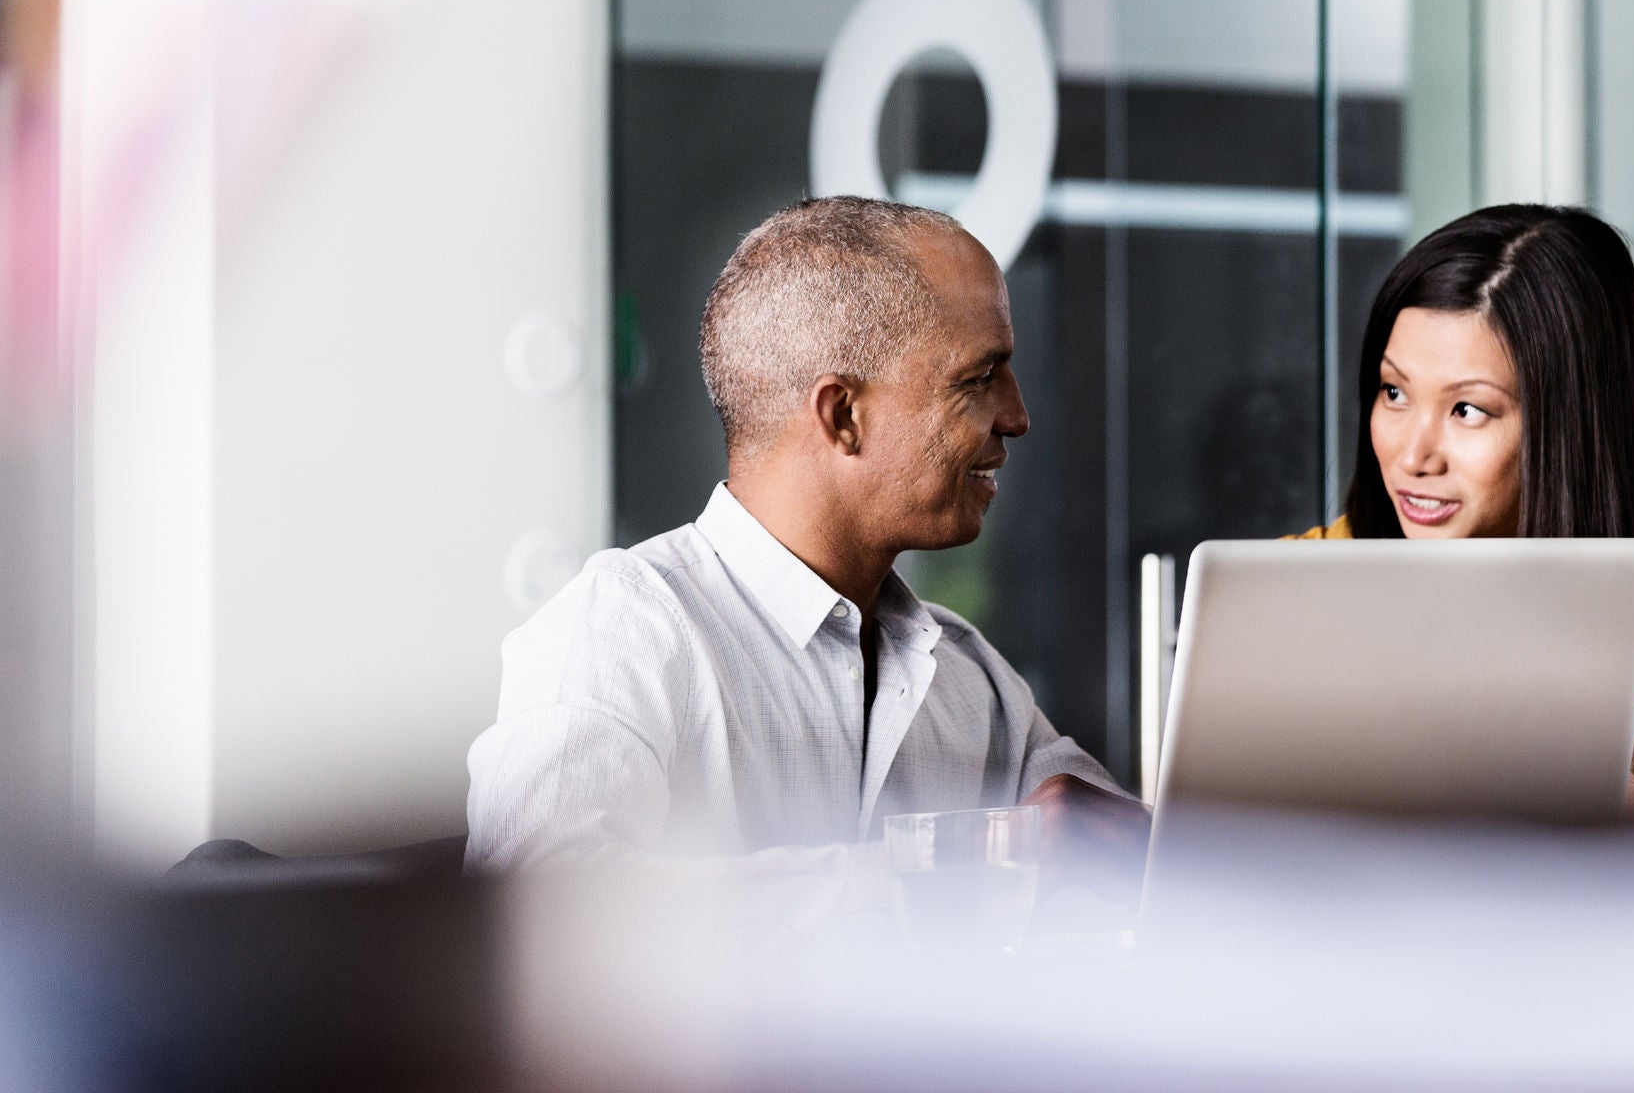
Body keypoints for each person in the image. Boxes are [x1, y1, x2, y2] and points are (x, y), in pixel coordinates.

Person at [466, 197, 1150, 902]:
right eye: (979, 378)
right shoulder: (622, 631)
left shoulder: (969, 677)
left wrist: (1128, 849)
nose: (1017, 416)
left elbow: (1142, 864)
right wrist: (928, 878)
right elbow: (537, 917)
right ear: (843, 416)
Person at [1297, 204, 1634, 812]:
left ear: (1566, 428)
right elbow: (1227, 867)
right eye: (1394, 392)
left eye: (1467, 409)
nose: (1413, 454)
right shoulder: (1298, 590)